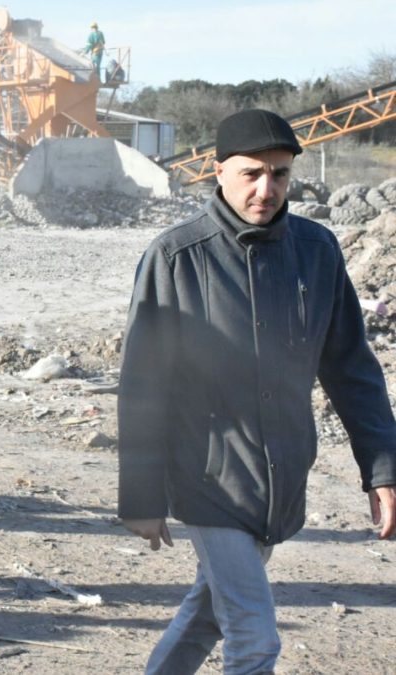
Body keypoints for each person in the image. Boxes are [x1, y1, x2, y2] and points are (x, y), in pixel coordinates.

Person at [117, 108, 396, 674]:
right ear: (217, 172)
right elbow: (142, 384)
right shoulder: (176, 258)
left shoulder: (317, 252)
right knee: (255, 639)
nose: (267, 188)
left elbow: (351, 368)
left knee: (207, 614)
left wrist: (384, 468)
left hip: (281, 474)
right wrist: (141, 496)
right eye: (251, 173)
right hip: (207, 476)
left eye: (280, 174)